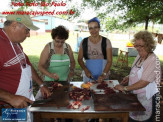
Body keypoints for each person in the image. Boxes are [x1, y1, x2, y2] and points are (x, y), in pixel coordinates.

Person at [0, 13, 51, 122]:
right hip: (8, 109)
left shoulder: (16, 43)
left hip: (23, 104)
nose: (28, 35)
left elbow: (27, 65)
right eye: (27, 30)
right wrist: (10, 98)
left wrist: (41, 84)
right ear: (14, 26)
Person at [115, 31, 162, 122]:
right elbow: (138, 70)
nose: (137, 48)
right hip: (135, 95)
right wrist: (129, 76)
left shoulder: (153, 60)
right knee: (133, 118)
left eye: (141, 46)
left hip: (147, 98)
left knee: (142, 119)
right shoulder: (139, 56)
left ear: (148, 45)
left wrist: (125, 88)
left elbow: (144, 82)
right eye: (136, 45)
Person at [78, 17, 112, 83]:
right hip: (88, 76)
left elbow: (109, 61)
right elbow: (79, 59)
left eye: (95, 27)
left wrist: (103, 74)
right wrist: (86, 70)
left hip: (103, 75)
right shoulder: (84, 42)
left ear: (99, 28)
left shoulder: (106, 41)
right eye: (90, 28)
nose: (93, 30)